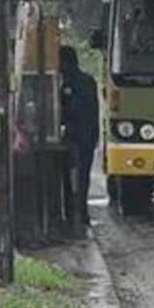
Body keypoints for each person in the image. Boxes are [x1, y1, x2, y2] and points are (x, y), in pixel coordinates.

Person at [59, 45, 101, 226]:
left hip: (72, 136)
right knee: (83, 175)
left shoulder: (66, 82)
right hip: (88, 136)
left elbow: (67, 110)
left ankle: (72, 213)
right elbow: (95, 110)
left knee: (70, 176)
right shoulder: (89, 81)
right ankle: (81, 213)